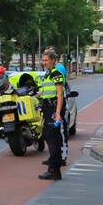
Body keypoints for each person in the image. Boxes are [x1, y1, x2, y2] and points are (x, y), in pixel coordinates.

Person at [38, 49, 66, 181]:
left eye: (46, 60)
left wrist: (58, 113)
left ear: (53, 61)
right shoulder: (47, 74)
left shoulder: (56, 74)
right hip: (48, 108)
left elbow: (60, 94)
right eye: (43, 60)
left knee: (52, 138)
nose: (44, 63)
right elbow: (46, 92)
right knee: (48, 136)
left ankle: (54, 170)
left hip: (54, 108)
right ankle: (54, 166)